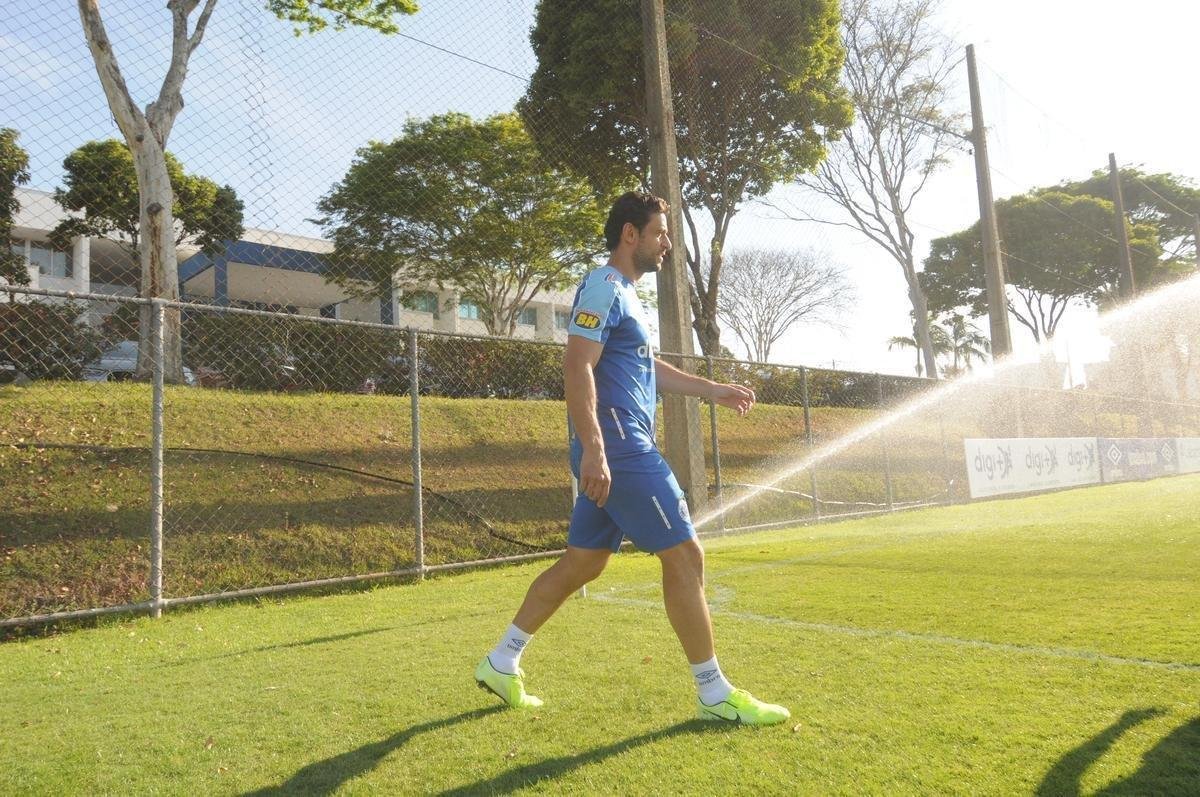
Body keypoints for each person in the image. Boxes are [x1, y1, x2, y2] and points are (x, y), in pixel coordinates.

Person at [475, 191, 790, 725]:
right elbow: (577, 368)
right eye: (660, 233)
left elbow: (649, 366)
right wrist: (596, 450)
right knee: (687, 557)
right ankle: (714, 696)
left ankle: (501, 661)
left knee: (584, 561)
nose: (667, 243)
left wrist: (711, 388)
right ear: (630, 235)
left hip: (615, 445)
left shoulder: (624, 294)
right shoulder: (602, 286)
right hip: (620, 446)